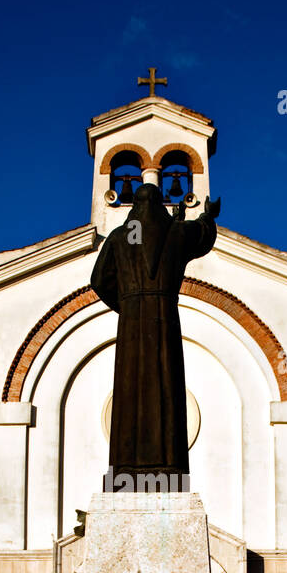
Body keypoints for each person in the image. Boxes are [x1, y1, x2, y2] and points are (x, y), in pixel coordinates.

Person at [90, 183, 220, 481]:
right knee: (166, 384)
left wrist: (125, 303)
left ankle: (127, 470)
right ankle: (169, 468)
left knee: (130, 385)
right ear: (160, 205)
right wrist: (208, 215)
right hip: (164, 319)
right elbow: (202, 233)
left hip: (132, 324)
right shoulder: (175, 232)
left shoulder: (121, 236)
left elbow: (99, 280)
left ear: (135, 206)